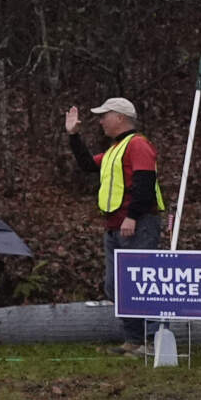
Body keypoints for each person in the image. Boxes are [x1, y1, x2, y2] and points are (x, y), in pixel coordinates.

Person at [64, 97, 166, 355]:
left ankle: (152, 341)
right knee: (115, 286)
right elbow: (88, 165)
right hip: (115, 226)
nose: (100, 121)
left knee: (143, 283)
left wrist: (131, 216)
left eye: (104, 115)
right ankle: (133, 340)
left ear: (120, 117)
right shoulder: (114, 150)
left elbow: (144, 182)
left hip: (137, 224)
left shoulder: (138, 145)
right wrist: (74, 136)